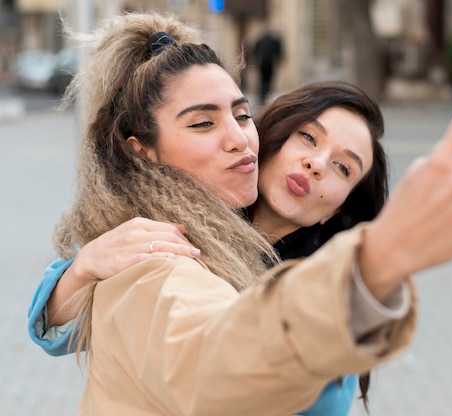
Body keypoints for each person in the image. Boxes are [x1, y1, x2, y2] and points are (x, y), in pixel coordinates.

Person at [31, 12, 452, 415]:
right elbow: (213, 359)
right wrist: (375, 262)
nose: (238, 139)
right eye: (307, 138)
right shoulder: (165, 245)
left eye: (343, 168)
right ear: (281, 136)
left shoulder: (310, 261)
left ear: (346, 201)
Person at [29, 80, 389, 415]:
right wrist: (84, 267)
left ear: (339, 208)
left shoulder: (328, 297)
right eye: (308, 138)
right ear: (271, 135)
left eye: (343, 167)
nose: (316, 164)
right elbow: (55, 334)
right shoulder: (184, 216)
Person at [253, 26, 282, 104]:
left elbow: (255, 51)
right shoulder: (273, 40)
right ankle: (265, 93)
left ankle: (263, 95)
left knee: (263, 79)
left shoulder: (260, 40)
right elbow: (278, 51)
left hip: (263, 62)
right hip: (270, 62)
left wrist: (255, 62)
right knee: (269, 79)